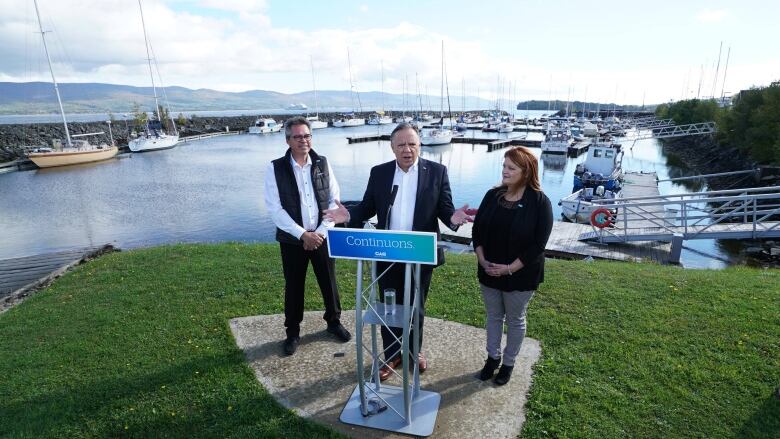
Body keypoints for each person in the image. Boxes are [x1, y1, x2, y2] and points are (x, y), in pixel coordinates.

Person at [324, 122, 472, 380]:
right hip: (387, 251)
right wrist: (349, 214)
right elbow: (367, 206)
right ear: (392, 148)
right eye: (401, 144)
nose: (407, 149)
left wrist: (455, 218)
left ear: (420, 145)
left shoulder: (437, 172)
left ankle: (414, 352)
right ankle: (392, 355)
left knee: (416, 307)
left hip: (420, 252)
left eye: (412, 144)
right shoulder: (379, 173)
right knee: (389, 308)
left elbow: (445, 210)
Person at [264, 116, 351, 356]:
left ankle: (333, 322)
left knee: (329, 281)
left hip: (323, 236)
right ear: (288, 140)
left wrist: (320, 233)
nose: (304, 140)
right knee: (294, 285)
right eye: (298, 136)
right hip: (293, 239)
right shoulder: (275, 168)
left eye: (307, 135)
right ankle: (292, 332)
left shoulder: (323, 163)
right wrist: (303, 234)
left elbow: (334, 199)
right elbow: (274, 208)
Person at [471, 146, 553, 385]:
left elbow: (538, 244)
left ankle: (508, 364)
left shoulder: (540, 202)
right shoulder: (492, 195)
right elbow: (477, 230)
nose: (505, 172)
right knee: (494, 316)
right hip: (488, 271)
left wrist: (509, 268)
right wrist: (482, 259)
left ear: (526, 172)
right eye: (504, 166)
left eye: (511, 168)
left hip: (521, 276)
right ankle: (492, 359)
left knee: (515, 319)